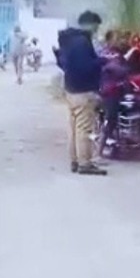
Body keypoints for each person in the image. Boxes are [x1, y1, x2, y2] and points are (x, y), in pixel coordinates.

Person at [56, 10, 108, 175]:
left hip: (71, 90)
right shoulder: (82, 43)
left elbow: (64, 63)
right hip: (83, 91)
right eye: (96, 27)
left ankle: (75, 160)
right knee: (84, 129)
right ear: (91, 25)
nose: (97, 30)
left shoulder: (69, 40)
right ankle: (85, 164)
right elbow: (85, 68)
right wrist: (102, 61)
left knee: (74, 128)